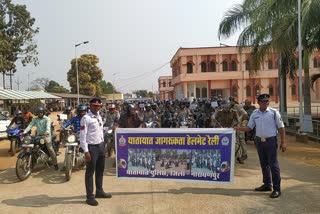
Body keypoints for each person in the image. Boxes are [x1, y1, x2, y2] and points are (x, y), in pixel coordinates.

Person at [235, 94, 286, 198]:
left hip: (271, 142)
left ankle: (277, 189)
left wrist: (283, 142)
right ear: (258, 102)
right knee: (264, 164)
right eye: (263, 101)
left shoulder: (274, 113)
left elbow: (281, 127)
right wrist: (238, 128)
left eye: (267, 101)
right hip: (259, 142)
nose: (265, 103)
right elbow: (249, 127)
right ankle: (267, 185)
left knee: (273, 165)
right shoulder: (255, 113)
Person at [80, 98, 111, 206]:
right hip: (92, 148)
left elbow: (100, 130)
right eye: (94, 105)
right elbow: (82, 136)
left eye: (98, 106)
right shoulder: (86, 118)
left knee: (100, 170)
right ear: (90, 106)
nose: (96, 107)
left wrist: (110, 128)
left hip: (101, 146)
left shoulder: (99, 116)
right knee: (90, 172)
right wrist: (86, 151)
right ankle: (89, 197)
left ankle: (99, 191)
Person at [211, 99, 244, 164]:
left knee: (235, 144)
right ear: (222, 107)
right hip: (222, 130)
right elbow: (214, 119)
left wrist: (236, 126)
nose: (226, 108)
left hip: (231, 129)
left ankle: (239, 157)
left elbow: (238, 121)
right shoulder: (219, 112)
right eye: (224, 106)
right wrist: (214, 123)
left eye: (227, 106)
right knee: (219, 143)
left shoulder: (234, 112)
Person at [229, 96, 248, 162]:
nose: (231, 102)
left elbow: (245, 114)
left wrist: (240, 122)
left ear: (234, 101)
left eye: (232, 101)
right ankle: (238, 155)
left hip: (240, 126)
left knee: (241, 139)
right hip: (233, 126)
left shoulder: (237, 107)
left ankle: (244, 154)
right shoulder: (229, 107)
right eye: (230, 101)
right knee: (235, 141)